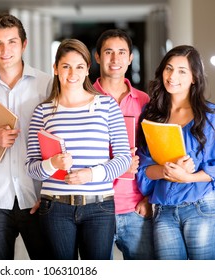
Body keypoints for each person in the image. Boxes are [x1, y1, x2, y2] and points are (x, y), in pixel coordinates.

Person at [26, 38, 132, 260]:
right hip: (55, 209)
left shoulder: (107, 106)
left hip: (99, 208)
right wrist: (52, 163)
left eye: (79, 66)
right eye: (66, 66)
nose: (72, 73)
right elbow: (32, 168)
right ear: (55, 69)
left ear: (87, 70)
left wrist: (90, 174)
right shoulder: (42, 112)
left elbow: (123, 159)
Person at [0, 13, 52, 260]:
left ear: (24, 45)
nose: (5, 50)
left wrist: (48, 193)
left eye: (12, 42)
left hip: (37, 196)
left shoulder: (47, 86)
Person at [137, 45, 215, 260]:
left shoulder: (210, 116)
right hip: (163, 210)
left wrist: (188, 177)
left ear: (194, 78)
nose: (172, 76)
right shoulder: (151, 115)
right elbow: (144, 168)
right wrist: (165, 171)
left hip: (200, 207)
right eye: (169, 68)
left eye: (182, 71)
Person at [93, 29, 154, 259]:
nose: (115, 59)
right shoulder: (85, 98)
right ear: (98, 57)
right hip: (96, 207)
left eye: (122, 52)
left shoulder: (144, 100)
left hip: (136, 208)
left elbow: (154, 153)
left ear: (130, 58)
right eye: (108, 52)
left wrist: (149, 199)